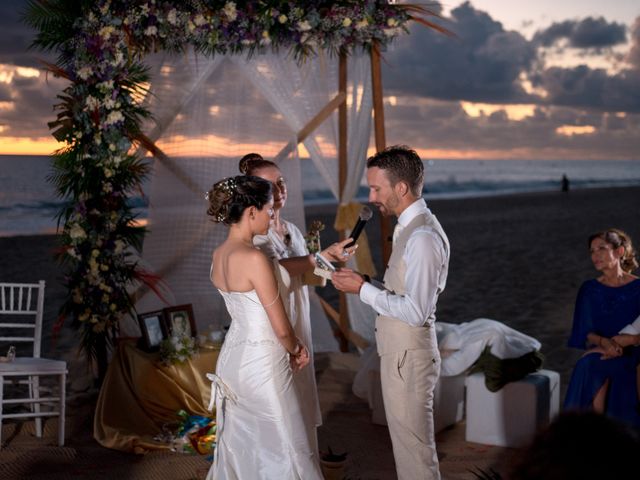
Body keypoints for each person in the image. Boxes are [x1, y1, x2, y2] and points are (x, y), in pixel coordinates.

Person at [332, 145, 450, 480]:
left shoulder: (424, 237)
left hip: (410, 357)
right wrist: (367, 281)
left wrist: (361, 290)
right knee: (407, 450)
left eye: (376, 188)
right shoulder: (407, 229)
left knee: (416, 455)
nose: (371, 197)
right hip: (400, 354)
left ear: (401, 188)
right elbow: (403, 292)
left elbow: (415, 311)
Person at [205, 175, 323, 479]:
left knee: (245, 445)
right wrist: (298, 349)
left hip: (232, 361)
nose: (272, 218)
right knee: (286, 444)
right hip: (264, 365)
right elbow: (281, 328)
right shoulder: (254, 258)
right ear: (251, 212)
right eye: (269, 210)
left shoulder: (218, 256)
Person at [238, 153, 356, 455]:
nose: (279, 191)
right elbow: (275, 270)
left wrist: (332, 262)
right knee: (279, 395)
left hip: (298, 313)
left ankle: (300, 456)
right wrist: (319, 257)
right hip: (273, 318)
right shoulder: (253, 236)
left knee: (300, 389)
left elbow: (310, 272)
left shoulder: (291, 228)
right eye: (270, 186)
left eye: (282, 182)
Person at [564, 228, 640, 428]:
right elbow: (585, 331)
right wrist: (605, 343)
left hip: (634, 352)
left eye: (601, 249)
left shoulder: (638, 287)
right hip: (603, 349)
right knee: (589, 364)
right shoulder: (589, 289)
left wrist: (629, 341)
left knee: (594, 366)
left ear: (619, 252)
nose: (595, 255)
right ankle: (591, 433)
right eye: (592, 251)